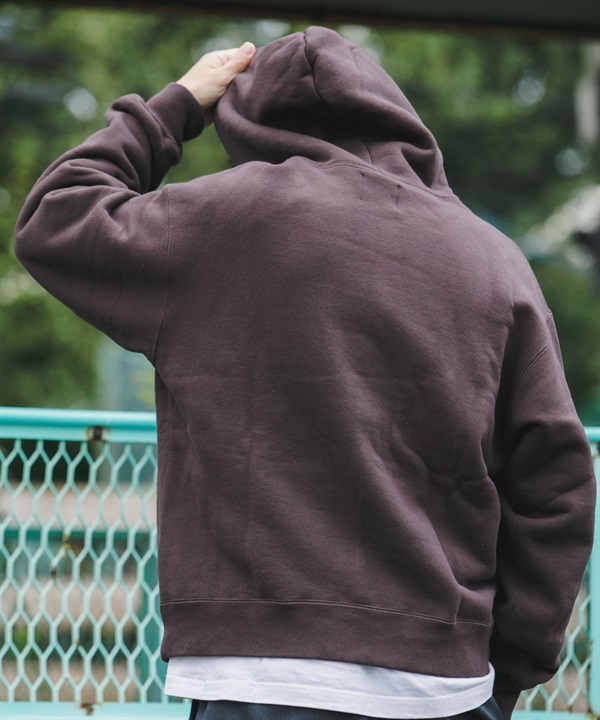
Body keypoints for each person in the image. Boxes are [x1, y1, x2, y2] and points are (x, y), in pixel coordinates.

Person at [15, 26, 595, 720]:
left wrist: (176, 106)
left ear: (247, 124)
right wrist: (506, 672)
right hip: (442, 685)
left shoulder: (220, 225)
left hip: (256, 676)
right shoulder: (491, 260)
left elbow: (55, 215)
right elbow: (557, 486)